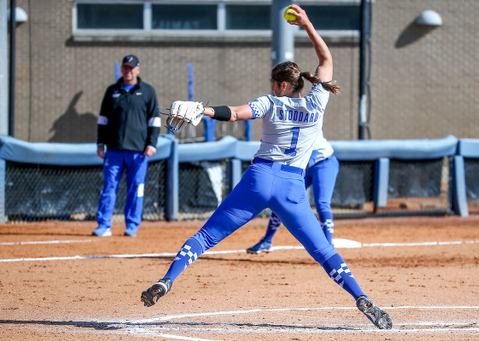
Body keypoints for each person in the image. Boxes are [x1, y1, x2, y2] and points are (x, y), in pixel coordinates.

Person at [141, 5, 392, 330]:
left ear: (283, 85)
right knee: (323, 252)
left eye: (275, 83)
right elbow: (327, 61)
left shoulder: (270, 102)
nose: (273, 86)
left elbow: (232, 113)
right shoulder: (316, 102)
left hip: (259, 179)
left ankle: (168, 279)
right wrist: (307, 25)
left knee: (205, 237)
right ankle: (361, 298)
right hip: (291, 187)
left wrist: (202, 109)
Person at [92, 55, 161, 237]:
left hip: (138, 152)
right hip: (114, 150)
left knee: (136, 188)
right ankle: (104, 224)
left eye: (131, 68)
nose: (128, 71)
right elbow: (102, 120)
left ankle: (132, 225)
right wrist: (101, 143)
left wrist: (152, 144)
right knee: (108, 188)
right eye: (125, 67)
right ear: (121, 69)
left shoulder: (147, 91)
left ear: (138, 69)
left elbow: (154, 120)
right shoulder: (112, 91)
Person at [247, 132, 339, 254]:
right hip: (300, 166)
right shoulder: (286, 124)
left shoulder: (311, 123)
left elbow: (311, 159)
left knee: (322, 203)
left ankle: (328, 248)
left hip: (324, 163)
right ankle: (267, 242)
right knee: (282, 200)